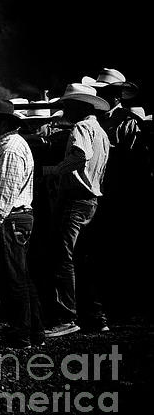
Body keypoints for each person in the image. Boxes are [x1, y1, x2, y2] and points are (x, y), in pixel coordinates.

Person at [41, 83, 110, 338]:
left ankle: (65, 317)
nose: (64, 109)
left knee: (63, 258)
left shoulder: (81, 128)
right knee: (81, 259)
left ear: (78, 107)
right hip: (91, 200)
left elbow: (81, 155)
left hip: (75, 198)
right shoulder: (99, 130)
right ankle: (95, 316)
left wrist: (56, 170)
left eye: (67, 105)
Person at [80, 68, 148, 319]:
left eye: (108, 93)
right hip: (98, 191)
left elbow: (135, 162)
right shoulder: (95, 120)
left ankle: (122, 304)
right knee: (98, 250)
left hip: (119, 192)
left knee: (118, 248)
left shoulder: (128, 122)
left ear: (119, 96)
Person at [0, 99, 42, 348]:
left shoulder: (8, 149)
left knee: (12, 278)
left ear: (1, 123)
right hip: (13, 218)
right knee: (16, 276)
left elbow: (5, 192)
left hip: (10, 218)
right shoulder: (5, 146)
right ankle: (31, 331)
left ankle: (22, 332)